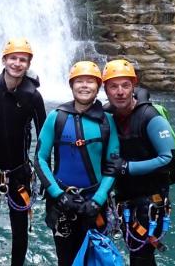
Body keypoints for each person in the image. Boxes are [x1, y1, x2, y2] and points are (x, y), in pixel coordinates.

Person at [34, 61, 119, 266]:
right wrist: (58, 194)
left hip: (94, 203)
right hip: (62, 202)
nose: (84, 86)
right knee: (65, 259)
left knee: (94, 258)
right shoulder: (56, 117)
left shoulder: (108, 121)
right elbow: (40, 159)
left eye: (90, 82)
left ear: (98, 87)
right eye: (79, 81)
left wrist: (98, 200)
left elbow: (113, 165)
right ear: (71, 85)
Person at [0, 38, 46, 266]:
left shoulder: (32, 96)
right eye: (13, 58)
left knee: (20, 229)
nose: (17, 63)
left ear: (28, 64)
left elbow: (44, 138)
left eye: (22, 60)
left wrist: (45, 174)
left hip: (19, 171)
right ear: (4, 60)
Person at [101, 59, 175, 266]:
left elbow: (168, 159)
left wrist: (126, 167)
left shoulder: (150, 117)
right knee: (137, 254)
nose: (120, 91)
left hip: (151, 201)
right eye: (113, 86)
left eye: (125, 85)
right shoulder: (108, 116)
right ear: (105, 89)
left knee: (142, 257)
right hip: (125, 200)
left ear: (134, 86)